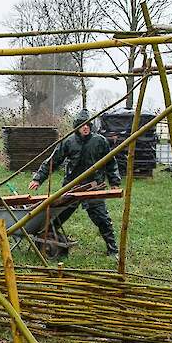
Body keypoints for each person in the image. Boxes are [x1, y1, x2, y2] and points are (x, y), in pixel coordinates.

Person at [28, 109, 122, 257]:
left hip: (93, 187)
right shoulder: (68, 142)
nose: (85, 128)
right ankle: (46, 240)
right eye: (82, 125)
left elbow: (110, 162)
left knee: (102, 219)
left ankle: (112, 249)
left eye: (88, 125)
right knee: (56, 217)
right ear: (76, 127)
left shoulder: (99, 141)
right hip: (71, 187)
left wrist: (114, 181)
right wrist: (38, 178)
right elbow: (53, 161)